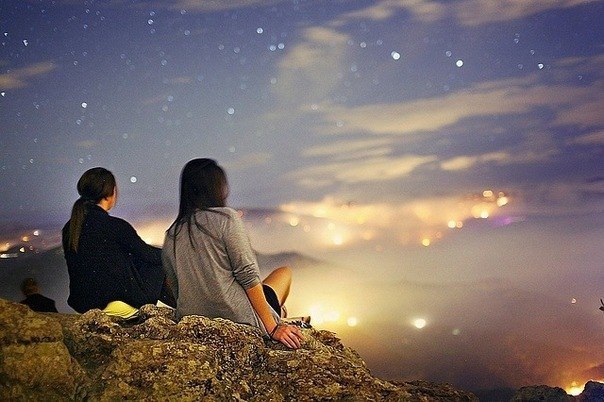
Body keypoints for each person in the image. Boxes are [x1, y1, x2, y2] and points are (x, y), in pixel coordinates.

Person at [162, 158, 304, 349]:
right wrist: (273, 328)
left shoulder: (172, 234)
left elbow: (175, 287)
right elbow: (248, 276)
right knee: (284, 272)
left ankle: (281, 313)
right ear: (217, 188)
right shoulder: (226, 219)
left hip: (192, 319)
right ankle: (280, 315)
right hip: (237, 316)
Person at [62, 167, 171, 318]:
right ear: (110, 193)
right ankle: (190, 310)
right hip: (112, 305)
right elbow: (148, 255)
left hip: (81, 305)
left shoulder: (71, 228)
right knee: (160, 264)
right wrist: (174, 254)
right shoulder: (114, 226)